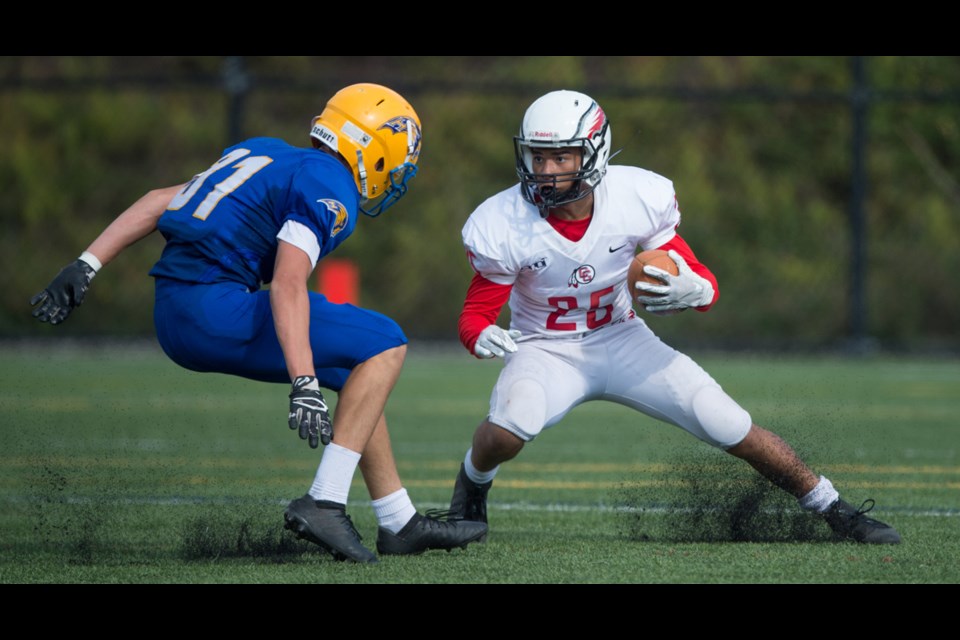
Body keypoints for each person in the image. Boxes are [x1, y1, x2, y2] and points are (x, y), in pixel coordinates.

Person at [29, 82, 488, 563]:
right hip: (213, 310)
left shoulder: (264, 152)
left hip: (176, 310)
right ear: (374, 152)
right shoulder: (329, 186)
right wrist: (304, 381)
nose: (397, 174)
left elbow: (157, 199)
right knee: (385, 342)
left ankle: (398, 521)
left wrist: (85, 264)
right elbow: (288, 284)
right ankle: (326, 501)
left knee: (359, 371)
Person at [446, 89, 901, 545]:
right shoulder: (503, 221)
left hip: (620, 336)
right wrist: (481, 335)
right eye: (538, 157)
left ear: (594, 150)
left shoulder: (636, 196)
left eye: (561, 157)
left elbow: (703, 281)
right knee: (512, 423)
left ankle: (832, 506)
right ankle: (473, 483)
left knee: (723, 420)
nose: (546, 171)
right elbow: (475, 315)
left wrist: (696, 288)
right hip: (545, 348)